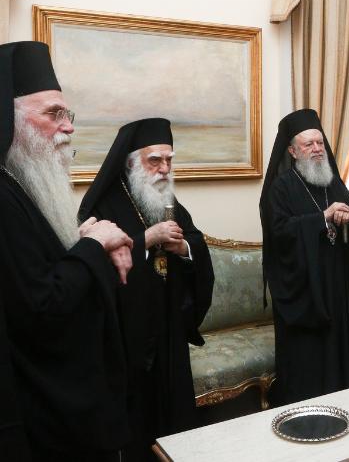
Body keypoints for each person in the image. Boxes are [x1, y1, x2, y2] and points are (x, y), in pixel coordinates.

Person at [0, 41, 133, 461]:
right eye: (53, 113)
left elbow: (32, 263)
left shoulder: (21, 181)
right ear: (9, 119)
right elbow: (40, 305)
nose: (68, 127)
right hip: (40, 412)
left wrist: (80, 238)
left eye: (67, 114)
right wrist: (94, 245)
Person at [78, 118, 214, 461]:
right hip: (129, 336)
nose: (164, 169)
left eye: (169, 160)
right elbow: (94, 263)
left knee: (176, 420)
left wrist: (184, 248)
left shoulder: (166, 199)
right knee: (138, 426)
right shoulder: (102, 206)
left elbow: (195, 241)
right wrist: (147, 239)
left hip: (168, 327)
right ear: (130, 163)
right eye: (155, 160)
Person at [259, 109, 349, 406]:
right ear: (293, 151)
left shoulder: (332, 182)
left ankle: (347, 410)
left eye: (320, 142)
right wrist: (322, 218)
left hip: (336, 286)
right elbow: (279, 232)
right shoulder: (281, 188)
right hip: (305, 292)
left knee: (341, 362)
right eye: (309, 144)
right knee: (308, 367)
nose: (317, 149)